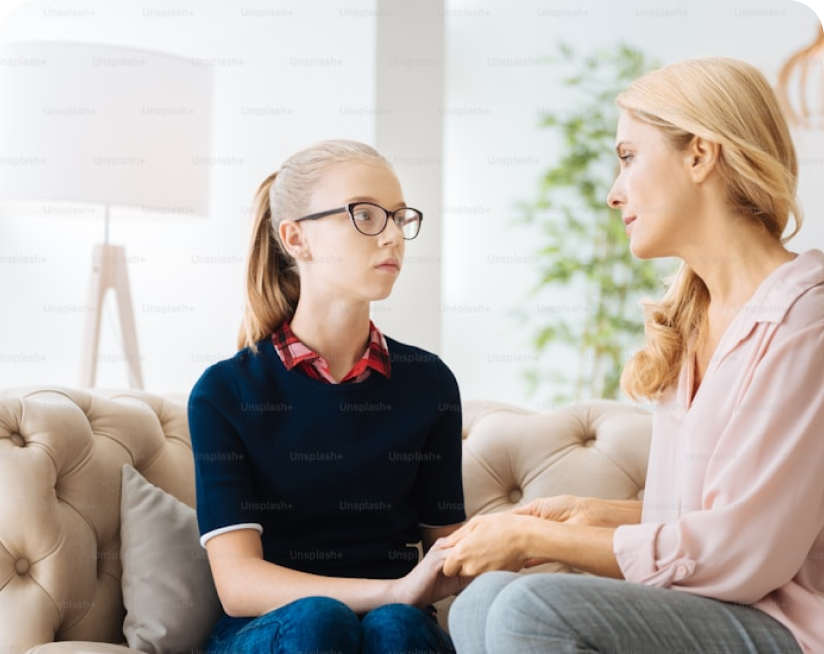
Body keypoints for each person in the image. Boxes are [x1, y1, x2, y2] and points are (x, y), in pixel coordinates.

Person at [439, 57, 824, 653]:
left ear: (700, 155)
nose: (613, 194)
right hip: (709, 610)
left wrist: (532, 540)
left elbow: (743, 552)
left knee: (528, 608)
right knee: (481, 601)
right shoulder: (690, 323)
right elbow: (699, 520)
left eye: (627, 157)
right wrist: (584, 512)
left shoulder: (806, 319)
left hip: (791, 629)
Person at [187, 139, 467, 653]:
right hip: (273, 628)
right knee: (319, 619)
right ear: (296, 238)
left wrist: (527, 539)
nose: (392, 236)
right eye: (365, 215)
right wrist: (394, 591)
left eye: (399, 217)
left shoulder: (430, 383)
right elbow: (238, 584)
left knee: (398, 627)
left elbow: (448, 551)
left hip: (395, 626)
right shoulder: (225, 392)